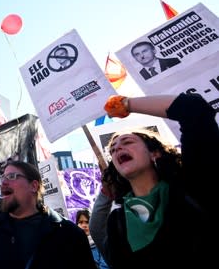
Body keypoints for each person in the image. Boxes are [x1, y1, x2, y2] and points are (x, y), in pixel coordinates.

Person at [91, 93, 218, 269]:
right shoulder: (117, 222)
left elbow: (194, 108)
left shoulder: (191, 186)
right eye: (112, 150)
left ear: (154, 153)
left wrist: (126, 104)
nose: (117, 147)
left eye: (127, 142)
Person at [0, 160, 97, 269]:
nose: (3, 183)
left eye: (11, 176)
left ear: (34, 186)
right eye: (2, 178)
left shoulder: (70, 234)